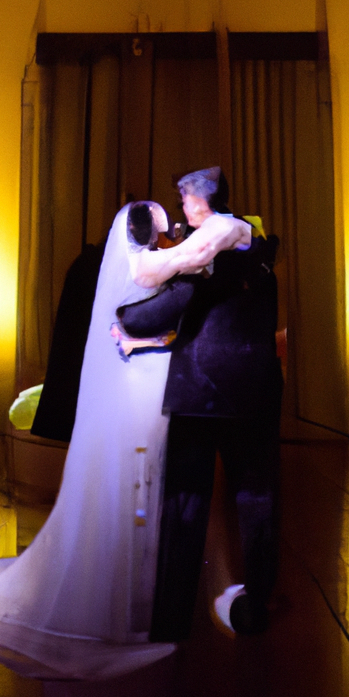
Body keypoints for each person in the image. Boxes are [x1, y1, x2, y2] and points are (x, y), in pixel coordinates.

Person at [0, 200, 238, 680]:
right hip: (138, 393)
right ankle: (127, 599)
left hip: (129, 392)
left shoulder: (118, 267)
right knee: (133, 490)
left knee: (124, 492)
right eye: (162, 230)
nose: (167, 238)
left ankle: (123, 591)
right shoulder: (147, 271)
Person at [117, 167, 283, 638]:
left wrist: (125, 319)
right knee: (258, 495)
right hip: (255, 387)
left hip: (199, 392)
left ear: (198, 200)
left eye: (183, 199)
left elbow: (165, 309)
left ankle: (171, 616)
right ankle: (256, 601)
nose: (181, 209)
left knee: (186, 501)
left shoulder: (207, 252)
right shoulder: (256, 246)